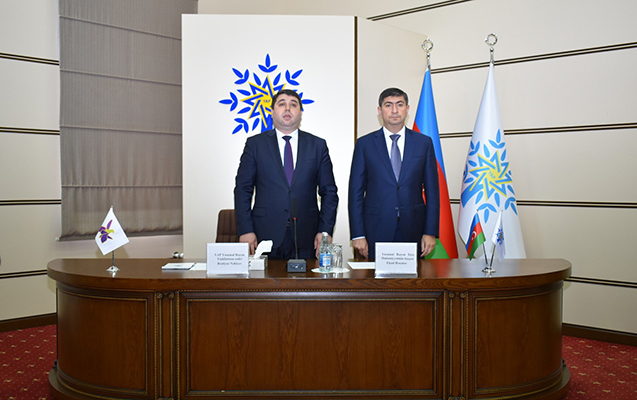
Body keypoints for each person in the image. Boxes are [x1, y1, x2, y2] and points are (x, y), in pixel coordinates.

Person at [234, 89, 338, 259]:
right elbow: (243, 189)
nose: (287, 108)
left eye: (293, 105)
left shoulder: (317, 145)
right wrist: (245, 229)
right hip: (264, 234)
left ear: (301, 113)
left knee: (306, 277)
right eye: (282, 104)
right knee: (266, 278)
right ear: (272, 112)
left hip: (308, 235)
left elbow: (330, 192)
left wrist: (325, 231)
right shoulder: (255, 144)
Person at [348, 87, 439, 259]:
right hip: (375, 229)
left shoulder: (424, 143)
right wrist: (358, 234)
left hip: (414, 228)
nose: (394, 110)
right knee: (374, 276)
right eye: (388, 105)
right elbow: (355, 193)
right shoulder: (365, 144)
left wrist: (430, 231)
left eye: (400, 104)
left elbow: (432, 192)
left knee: (414, 276)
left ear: (407, 109)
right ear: (379, 110)